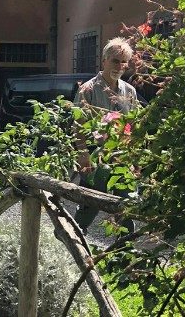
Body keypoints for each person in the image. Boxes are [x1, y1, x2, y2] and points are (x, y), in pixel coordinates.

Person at [73, 37, 139, 234]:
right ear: (104, 61)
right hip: (96, 155)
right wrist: (83, 155)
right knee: (91, 203)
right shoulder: (88, 89)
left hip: (122, 154)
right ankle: (73, 241)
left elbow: (133, 126)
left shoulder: (130, 91)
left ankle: (125, 252)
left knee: (127, 203)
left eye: (123, 62)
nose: (119, 66)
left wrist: (134, 157)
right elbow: (78, 126)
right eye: (115, 61)